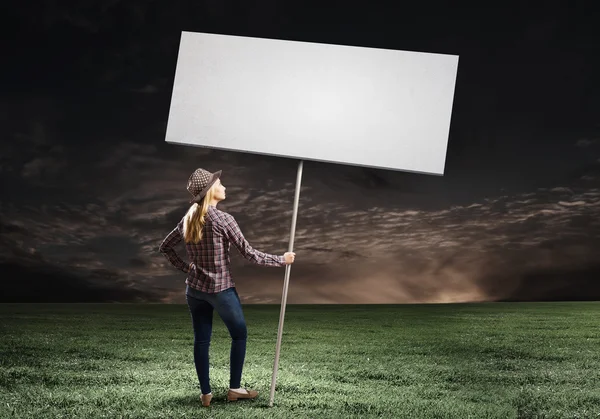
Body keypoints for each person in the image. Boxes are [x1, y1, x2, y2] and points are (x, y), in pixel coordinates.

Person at [158, 168, 295, 407]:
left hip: (195, 290)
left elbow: (165, 246)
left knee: (202, 340)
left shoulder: (188, 218)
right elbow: (251, 255)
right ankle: (234, 389)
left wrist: (186, 267)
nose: (224, 186)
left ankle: (205, 394)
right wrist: (282, 259)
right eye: (219, 183)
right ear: (210, 191)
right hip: (221, 290)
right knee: (239, 334)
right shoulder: (224, 219)